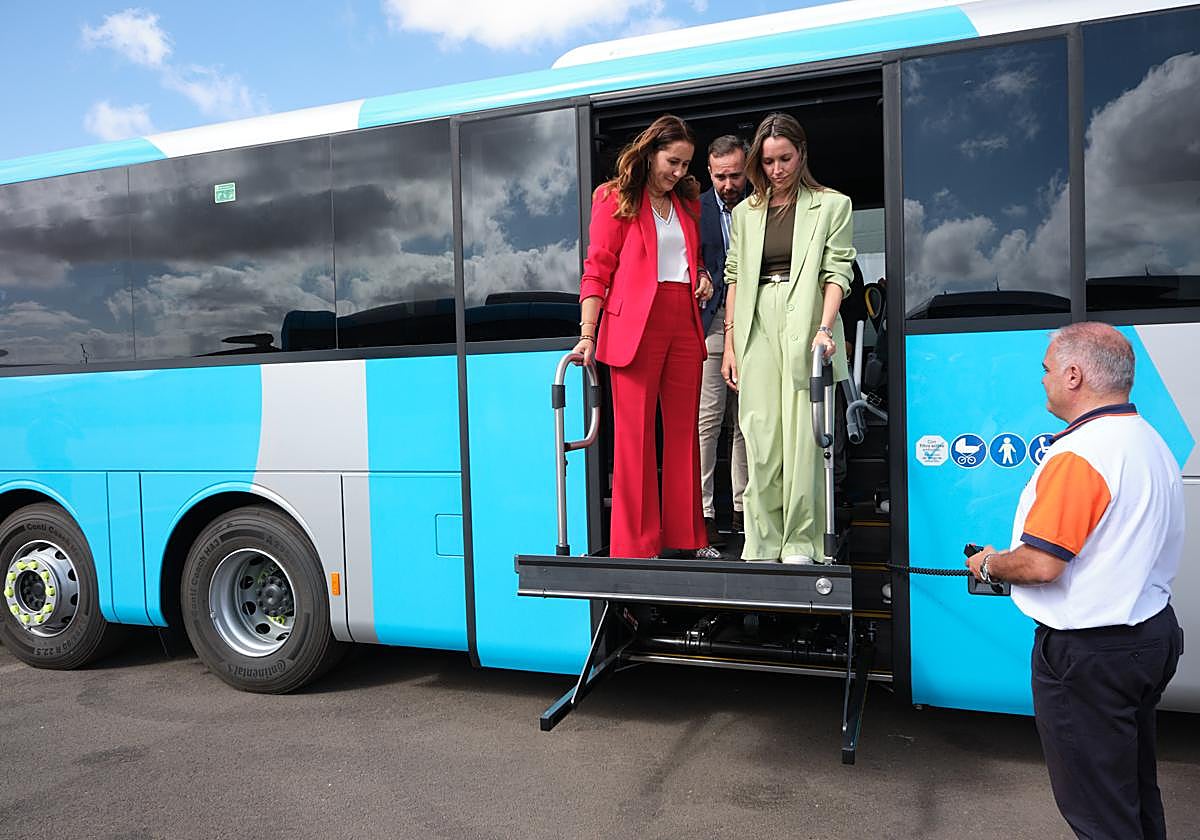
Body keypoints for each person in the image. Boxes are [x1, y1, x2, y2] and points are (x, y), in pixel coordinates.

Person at [967, 322, 1184, 840]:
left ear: (1073, 374)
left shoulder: (1081, 455)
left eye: (1046, 370)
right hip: (1149, 638)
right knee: (1133, 793)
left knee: (1099, 815)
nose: (1041, 380)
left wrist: (990, 565)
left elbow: (1043, 565)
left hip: (1090, 658)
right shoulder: (1149, 440)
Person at [572, 114, 720, 560]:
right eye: (672, 162)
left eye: (685, 164)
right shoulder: (614, 198)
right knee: (635, 438)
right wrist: (587, 334)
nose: (678, 172)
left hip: (683, 321)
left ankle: (688, 537)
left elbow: (689, 259)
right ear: (651, 152)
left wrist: (704, 276)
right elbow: (596, 270)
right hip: (635, 325)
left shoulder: (689, 203)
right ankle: (637, 545)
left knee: (683, 435)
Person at [720, 113, 855, 563]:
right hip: (756, 320)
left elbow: (837, 271)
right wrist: (732, 342)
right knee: (758, 436)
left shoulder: (832, 204)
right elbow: (734, 275)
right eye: (769, 161)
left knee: (803, 437)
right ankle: (761, 540)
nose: (777, 169)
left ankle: (800, 540)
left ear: (801, 155)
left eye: (785, 159)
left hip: (807, 321)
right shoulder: (745, 212)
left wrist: (825, 328)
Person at [697, 135, 750, 547]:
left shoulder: (761, 205)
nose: (728, 184)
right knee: (708, 421)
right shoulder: (694, 210)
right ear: (709, 173)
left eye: (735, 175)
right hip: (711, 322)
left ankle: (744, 511)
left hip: (755, 323)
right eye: (720, 177)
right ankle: (704, 512)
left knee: (747, 422)